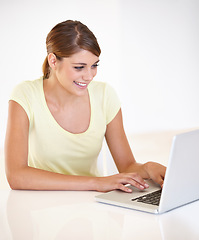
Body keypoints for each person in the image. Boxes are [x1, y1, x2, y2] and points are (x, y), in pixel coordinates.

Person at [4, 20, 166, 193]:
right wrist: (95, 183)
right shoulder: (25, 95)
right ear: (53, 60)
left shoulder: (105, 95)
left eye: (94, 65)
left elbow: (126, 166)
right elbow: (16, 175)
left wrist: (147, 168)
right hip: (40, 204)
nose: (89, 76)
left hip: (90, 205)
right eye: (79, 67)